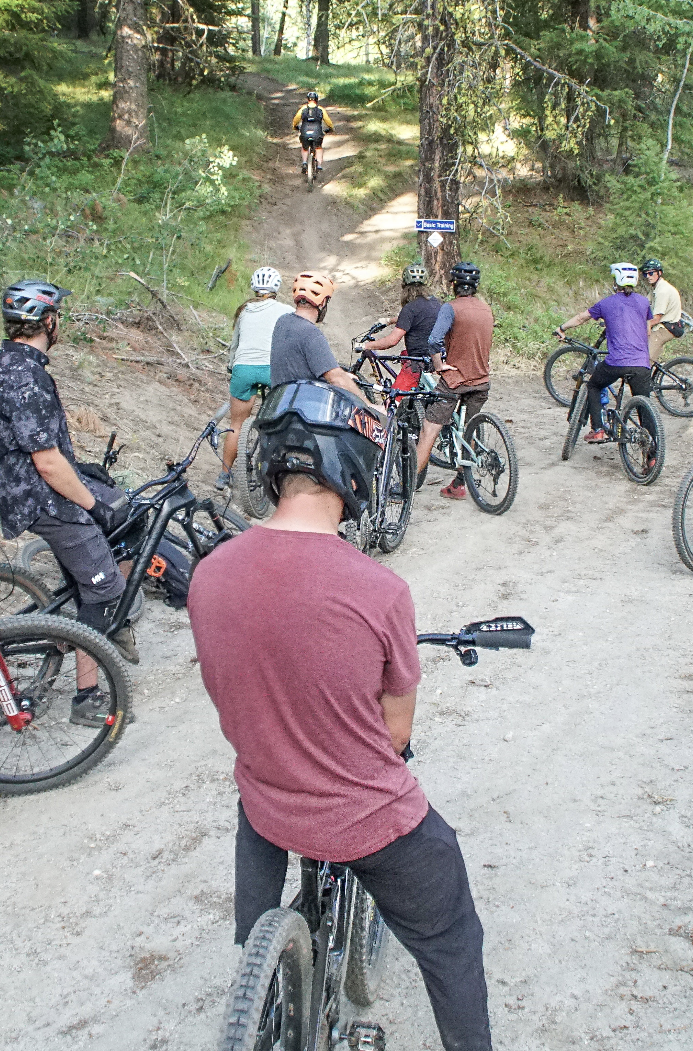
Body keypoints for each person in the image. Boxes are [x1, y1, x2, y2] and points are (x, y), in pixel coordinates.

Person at [188, 380, 494, 1051]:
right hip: (363, 818)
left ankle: (260, 967)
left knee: (262, 829)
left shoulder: (209, 574)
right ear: (354, 465)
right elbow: (395, 733)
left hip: (265, 801)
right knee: (451, 936)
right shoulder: (379, 591)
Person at [0, 281, 139, 690]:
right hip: (45, 500)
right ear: (48, 321)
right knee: (103, 590)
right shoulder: (25, 378)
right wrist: (94, 507)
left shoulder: (2, 366)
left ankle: (103, 613)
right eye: (57, 316)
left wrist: (83, 474)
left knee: (131, 518)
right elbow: (46, 463)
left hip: (25, 491)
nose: (59, 322)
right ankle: (88, 692)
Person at [416, 261, 494, 500]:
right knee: (469, 431)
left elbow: (433, 340)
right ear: (476, 286)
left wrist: (439, 365)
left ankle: (406, 486)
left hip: (455, 381)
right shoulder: (486, 309)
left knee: (429, 428)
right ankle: (460, 483)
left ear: (453, 285)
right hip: (482, 381)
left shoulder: (450, 308)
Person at [555, 263, 653, 447]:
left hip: (616, 362)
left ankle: (598, 429)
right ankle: (652, 454)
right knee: (645, 408)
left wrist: (562, 328)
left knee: (593, 385)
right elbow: (647, 331)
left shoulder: (606, 303)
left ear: (616, 281)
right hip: (641, 364)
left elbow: (581, 318)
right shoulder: (644, 302)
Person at [218, 266, 292, 490]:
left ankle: (224, 475)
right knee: (281, 421)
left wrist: (232, 368)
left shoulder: (244, 311)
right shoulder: (287, 311)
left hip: (243, 369)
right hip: (272, 369)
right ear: (277, 287)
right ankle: (278, 471)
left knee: (236, 424)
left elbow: (235, 346)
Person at [267, 270, 364, 400]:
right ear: (322, 302)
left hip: (282, 401)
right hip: (306, 404)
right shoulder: (311, 333)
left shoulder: (283, 321)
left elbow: (298, 366)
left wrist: (344, 377)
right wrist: (369, 405)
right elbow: (336, 378)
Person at [362, 263, 442, 396]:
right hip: (439, 357)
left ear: (404, 285)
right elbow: (419, 316)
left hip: (419, 363)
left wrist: (366, 345)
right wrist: (390, 320)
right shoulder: (436, 303)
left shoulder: (410, 308)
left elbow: (392, 341)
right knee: (404, 354)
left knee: (392, 401)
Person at [641, 259, 684, 365]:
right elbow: (644, 305)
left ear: (659, 273)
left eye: (651, 273)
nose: (648, 276)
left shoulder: (662, 291)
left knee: (645, 360)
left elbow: (656, 318)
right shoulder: (657, 288)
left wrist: (644, 325)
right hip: (663, 325)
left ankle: (645, 372)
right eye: (645, 274)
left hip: (665, 328)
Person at [290, 91, 334, 176]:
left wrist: (295, 126)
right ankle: (319, 166)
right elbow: (328, 121)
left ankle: (304, 163)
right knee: (318, 148)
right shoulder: (320, 109)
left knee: (304, 148)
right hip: (317, 132)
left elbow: (296, 119)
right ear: (316, 100)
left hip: (305, 132)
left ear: (308, 100)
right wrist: (331, 128)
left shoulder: (303, 109)